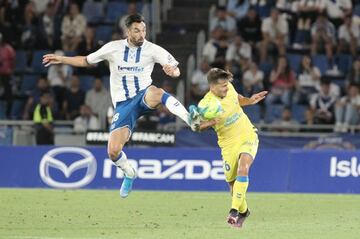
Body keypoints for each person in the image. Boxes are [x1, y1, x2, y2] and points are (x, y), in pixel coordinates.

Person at [43, 14, 200, 198]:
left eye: (143, 30)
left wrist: (172, 71)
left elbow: (176, 69)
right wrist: (62, 59)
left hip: (143, 95)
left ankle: (190, 119)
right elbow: (86, 61)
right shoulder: (113, 48)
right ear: (127, 31)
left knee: (157, 92)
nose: (141, 34)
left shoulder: (152, 49)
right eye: (137, 31)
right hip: (123, 105)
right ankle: (129, 173)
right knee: (113, 151)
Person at [191, 68, 267, 228]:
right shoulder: (205, 105)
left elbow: (238, 99)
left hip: (247, 135)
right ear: (212, 87)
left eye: (227, 84)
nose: (226, 88)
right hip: (227, 144)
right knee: (233, 187)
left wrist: (250, 100)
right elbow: (196, 126)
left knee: (243, 168)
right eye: (222, 86)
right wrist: (212, 122)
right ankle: (244, 211)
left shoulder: (230, 89)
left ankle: (233, 211)